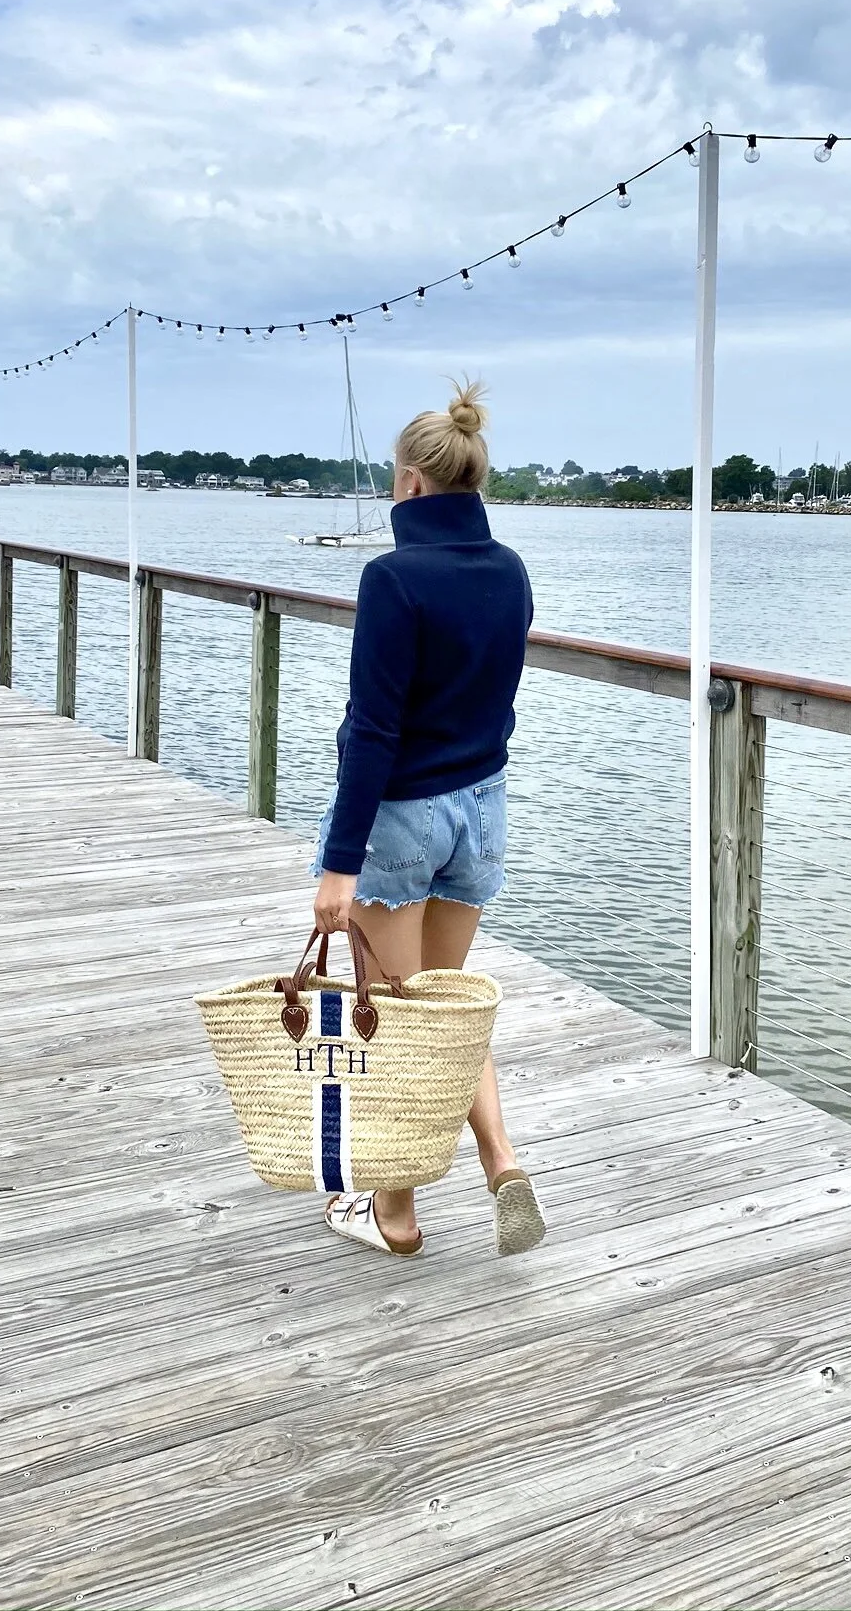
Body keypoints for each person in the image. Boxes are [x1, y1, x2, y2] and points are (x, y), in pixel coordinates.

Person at [310, 379, 544, 1260]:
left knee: (399, 1019)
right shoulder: (510, 570)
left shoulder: (393, 578)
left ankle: (395, 1211)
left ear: (409, 484)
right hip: (482, 808)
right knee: (443, 1007)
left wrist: (340, 865)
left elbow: (371, 728)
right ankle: (501, 1158)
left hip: (403, 818)